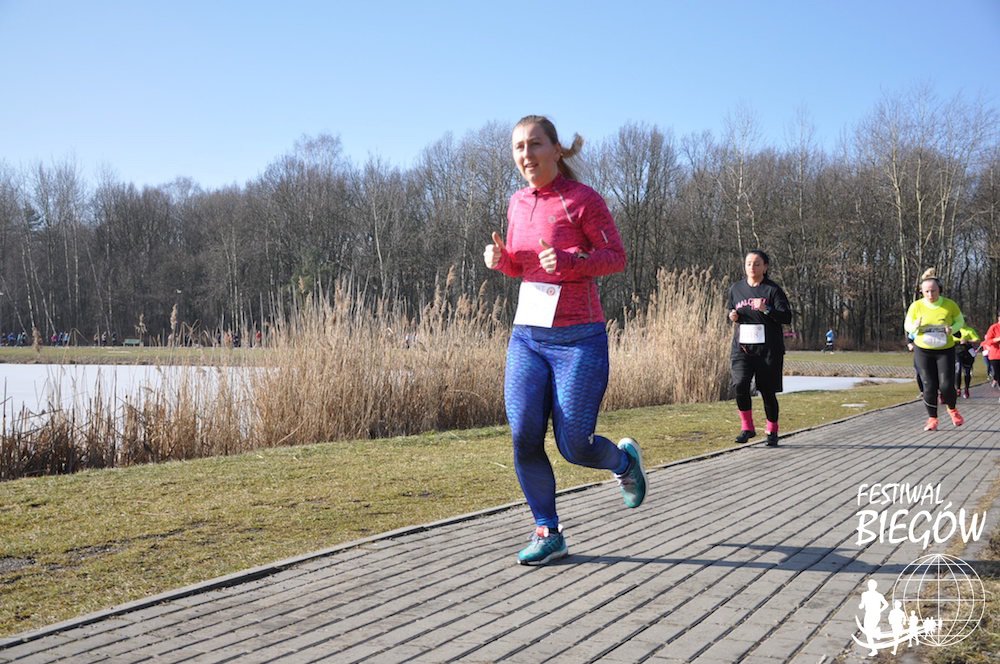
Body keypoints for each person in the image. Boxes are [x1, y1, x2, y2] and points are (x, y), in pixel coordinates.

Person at [484, 115, 646, 566]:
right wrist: (501, 260)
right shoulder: (517, 203)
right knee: (523, 435)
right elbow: (523, 267)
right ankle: (548, 531)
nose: (526, 154)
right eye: (518, 147)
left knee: (574, 445)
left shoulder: (582, 200)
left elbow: (616, 258)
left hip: (578, 340)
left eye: (535, 144)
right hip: (528, 337)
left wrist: (572, 261)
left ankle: (624, 464)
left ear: (556, 150)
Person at [727, 250, 792, 446]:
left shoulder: (772, 290)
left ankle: (772, 430)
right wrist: (732, 316)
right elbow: (732, 311)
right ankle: (747, 427)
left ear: (765, 267)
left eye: (757, 264)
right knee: (740, 384)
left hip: (768, 349)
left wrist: (767, 309)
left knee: (767, 390)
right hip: (743, 347)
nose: (752, 267)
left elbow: (786, 317)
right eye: (749, 263)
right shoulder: (736, 289)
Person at [903, 268, 966, 431]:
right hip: (923, 351)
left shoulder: (950, 305)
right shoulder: (916, 306)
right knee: (928, 385)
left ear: (940, 290)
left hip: (945, 350)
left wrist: (952, 329)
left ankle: (952, 410)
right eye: (927, 292)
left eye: (934, 291)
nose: (930, 295)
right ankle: (932, 419)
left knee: (946, 385)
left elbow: (960, 321)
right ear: (921, 292)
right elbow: (907, 325)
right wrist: (915, 326)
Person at [953, 325, 979, 399]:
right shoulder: (954, 329)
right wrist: (958, 341)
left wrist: (967, 340)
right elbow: (949, 339)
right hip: (957, 351)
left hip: (968, 352)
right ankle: (958, 389)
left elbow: (977, 339)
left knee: (967, 372)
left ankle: (966, 389)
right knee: (958, 370)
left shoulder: (969, 330)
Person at [981, 311, 1000, 395]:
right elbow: (987, 341)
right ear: (999, 318)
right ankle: (996, 380)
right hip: (996, 355)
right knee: (998, 374)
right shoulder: (994, 327)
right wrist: (996, 339)